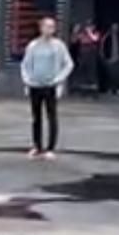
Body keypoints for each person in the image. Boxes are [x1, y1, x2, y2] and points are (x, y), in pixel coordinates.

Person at [21, 17, 74, 160]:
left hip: (51, 86)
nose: (50, 30)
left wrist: (59, 79)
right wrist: (27, 80)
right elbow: (25, 64)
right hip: (35, 85)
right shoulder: (33, 45)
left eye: (52, 27)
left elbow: (69, 64)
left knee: (52, 116)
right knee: (36, 117)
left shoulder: (58, 46)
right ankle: (37, 146)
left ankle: (50, 148)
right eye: (48, 26)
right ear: (41, 28)